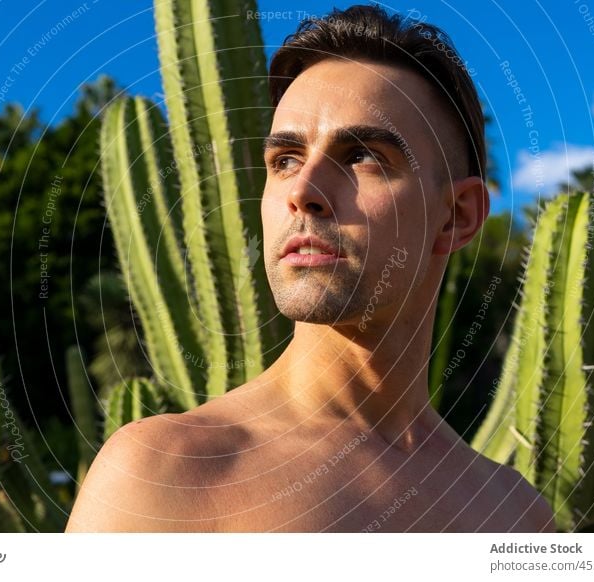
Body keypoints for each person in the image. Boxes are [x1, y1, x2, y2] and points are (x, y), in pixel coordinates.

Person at [66, 4, 556, 533]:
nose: (303, 191)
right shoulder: (166, 473)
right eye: (286, 161)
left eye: (363, 156)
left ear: (457, 217)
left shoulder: (516, 516)